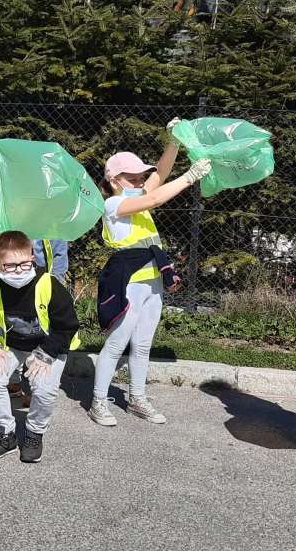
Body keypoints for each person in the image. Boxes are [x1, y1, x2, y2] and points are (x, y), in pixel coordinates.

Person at [87, 118, 211, 427]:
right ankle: (98, 402)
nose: (141, 179)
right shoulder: (114, 204)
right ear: (115, 180)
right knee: (117, 344)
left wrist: (175, 142)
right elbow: (156, 196)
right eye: (133, 177)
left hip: (152, 281)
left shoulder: (135, 196)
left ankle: (137, 398)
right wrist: (191, 177)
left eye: (141, 175)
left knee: (143, 345)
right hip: (128, 283)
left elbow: (161, 175)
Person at [0, 231, 79, 463]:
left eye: (23, 264)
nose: (18, 271)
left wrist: (46, 354)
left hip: (48, 346)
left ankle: (34, 432)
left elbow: (67, 326)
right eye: (9, 266)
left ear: (32, 258)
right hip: (10, 345)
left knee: (44, 387)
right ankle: (5, 432)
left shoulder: (48, 284)